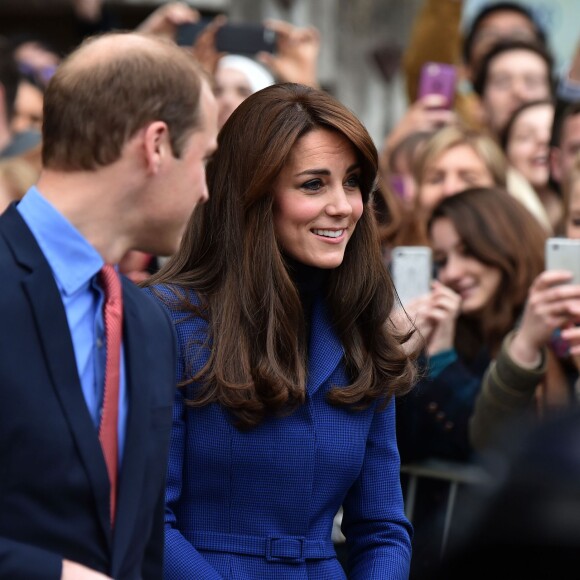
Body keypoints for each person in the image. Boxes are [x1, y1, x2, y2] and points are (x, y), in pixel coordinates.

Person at [143, 82, 417, 579]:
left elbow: (381, 528)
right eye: (314, 184)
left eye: (353, 182)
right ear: (253, 195)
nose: (344, 206)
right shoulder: (168, 320)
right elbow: (148, 522)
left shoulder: (360, 326)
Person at [0, 30, 218, 579]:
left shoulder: (148, 323)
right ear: (157, 145)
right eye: (205, 160)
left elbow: (136, 540)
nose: (205, 191)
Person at [500, 98, 562, 233]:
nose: (543, 140)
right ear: (504, 155)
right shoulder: (494, 222)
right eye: (525, 136)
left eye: (553, 133)